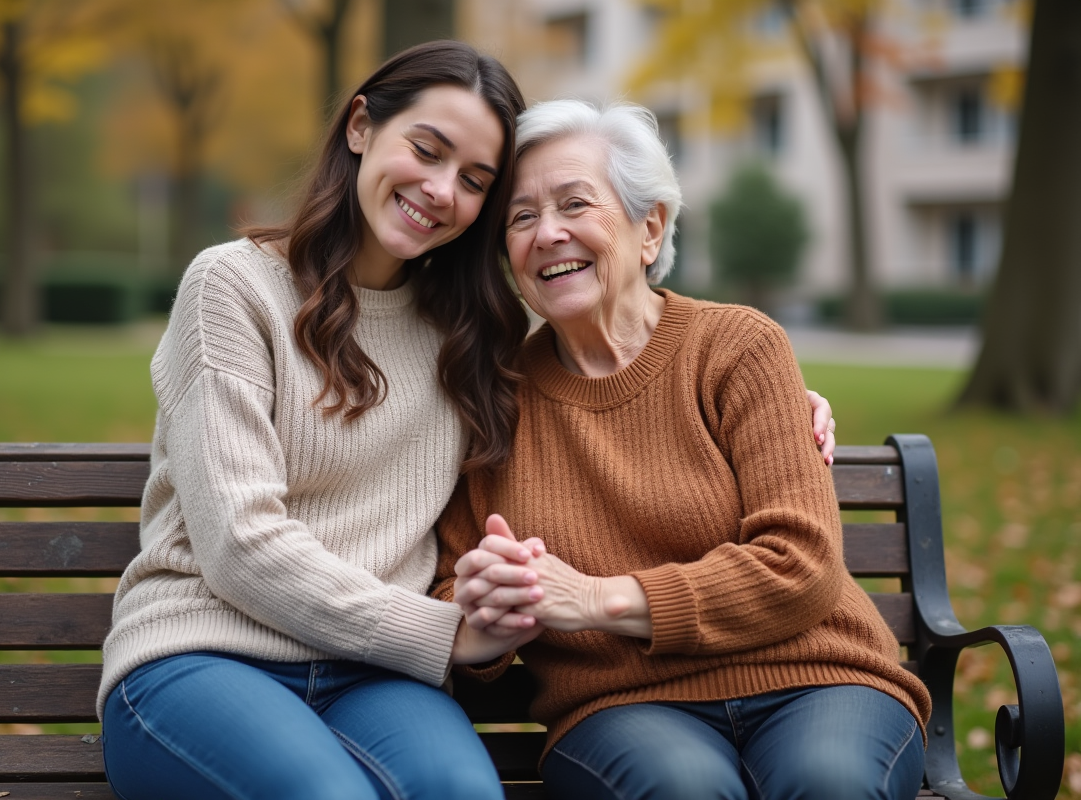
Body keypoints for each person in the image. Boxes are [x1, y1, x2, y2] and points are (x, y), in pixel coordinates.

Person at [98, 41, 837, 800]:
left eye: (475, 180)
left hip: (373, 677)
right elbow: (240, 546)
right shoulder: (232, 289)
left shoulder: (470, 339)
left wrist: (785, 408)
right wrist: (448, 634)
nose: (441, 189)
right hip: (207, 655)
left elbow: (604, 391)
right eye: (427, 150)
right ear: (360, 127)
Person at [436, 99, 931, 800]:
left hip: (819, 678)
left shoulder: (738, 347)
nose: (547, 233)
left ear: (650, 227)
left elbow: (800, 566)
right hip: (620, 706)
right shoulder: (491, 402)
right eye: (521, 217)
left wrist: (598, 600)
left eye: (575, 203)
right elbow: (452, 589)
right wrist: (490, 604)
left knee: (830, 782)